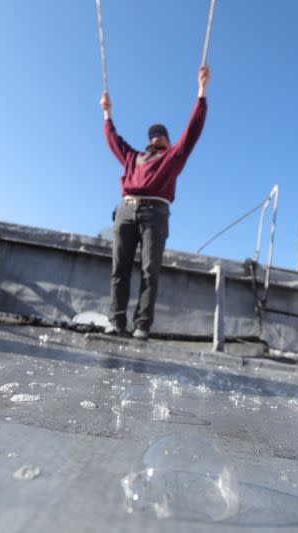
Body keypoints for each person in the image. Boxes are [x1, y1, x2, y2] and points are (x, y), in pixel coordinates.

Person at [100, 65, 210, 340]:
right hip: (126, 210)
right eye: (153, 134)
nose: (157, 137)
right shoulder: (132, 157)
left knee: (150, 270)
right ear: (148, 140)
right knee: (119, 268)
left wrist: (202, 91)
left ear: (168, 140)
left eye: (161, 134)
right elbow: (113, 140)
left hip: (156, 212)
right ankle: (117, 322)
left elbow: (193, 130)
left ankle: (142, 326)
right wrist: (107, 112)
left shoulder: (173, 157)